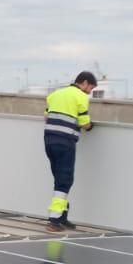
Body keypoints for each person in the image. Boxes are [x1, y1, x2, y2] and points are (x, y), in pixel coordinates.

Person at [42, 71, 97, 232]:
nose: (90, 92)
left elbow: (46, 116)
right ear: (84, 83)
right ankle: (53, 221)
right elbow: (85, 123)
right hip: (65, 142)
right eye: (91, 88)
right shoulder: (81, 97)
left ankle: (62, 217)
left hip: (49, 141)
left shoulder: (55, 94)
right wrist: (91, 126)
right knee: (64, 181)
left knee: (59, 178)